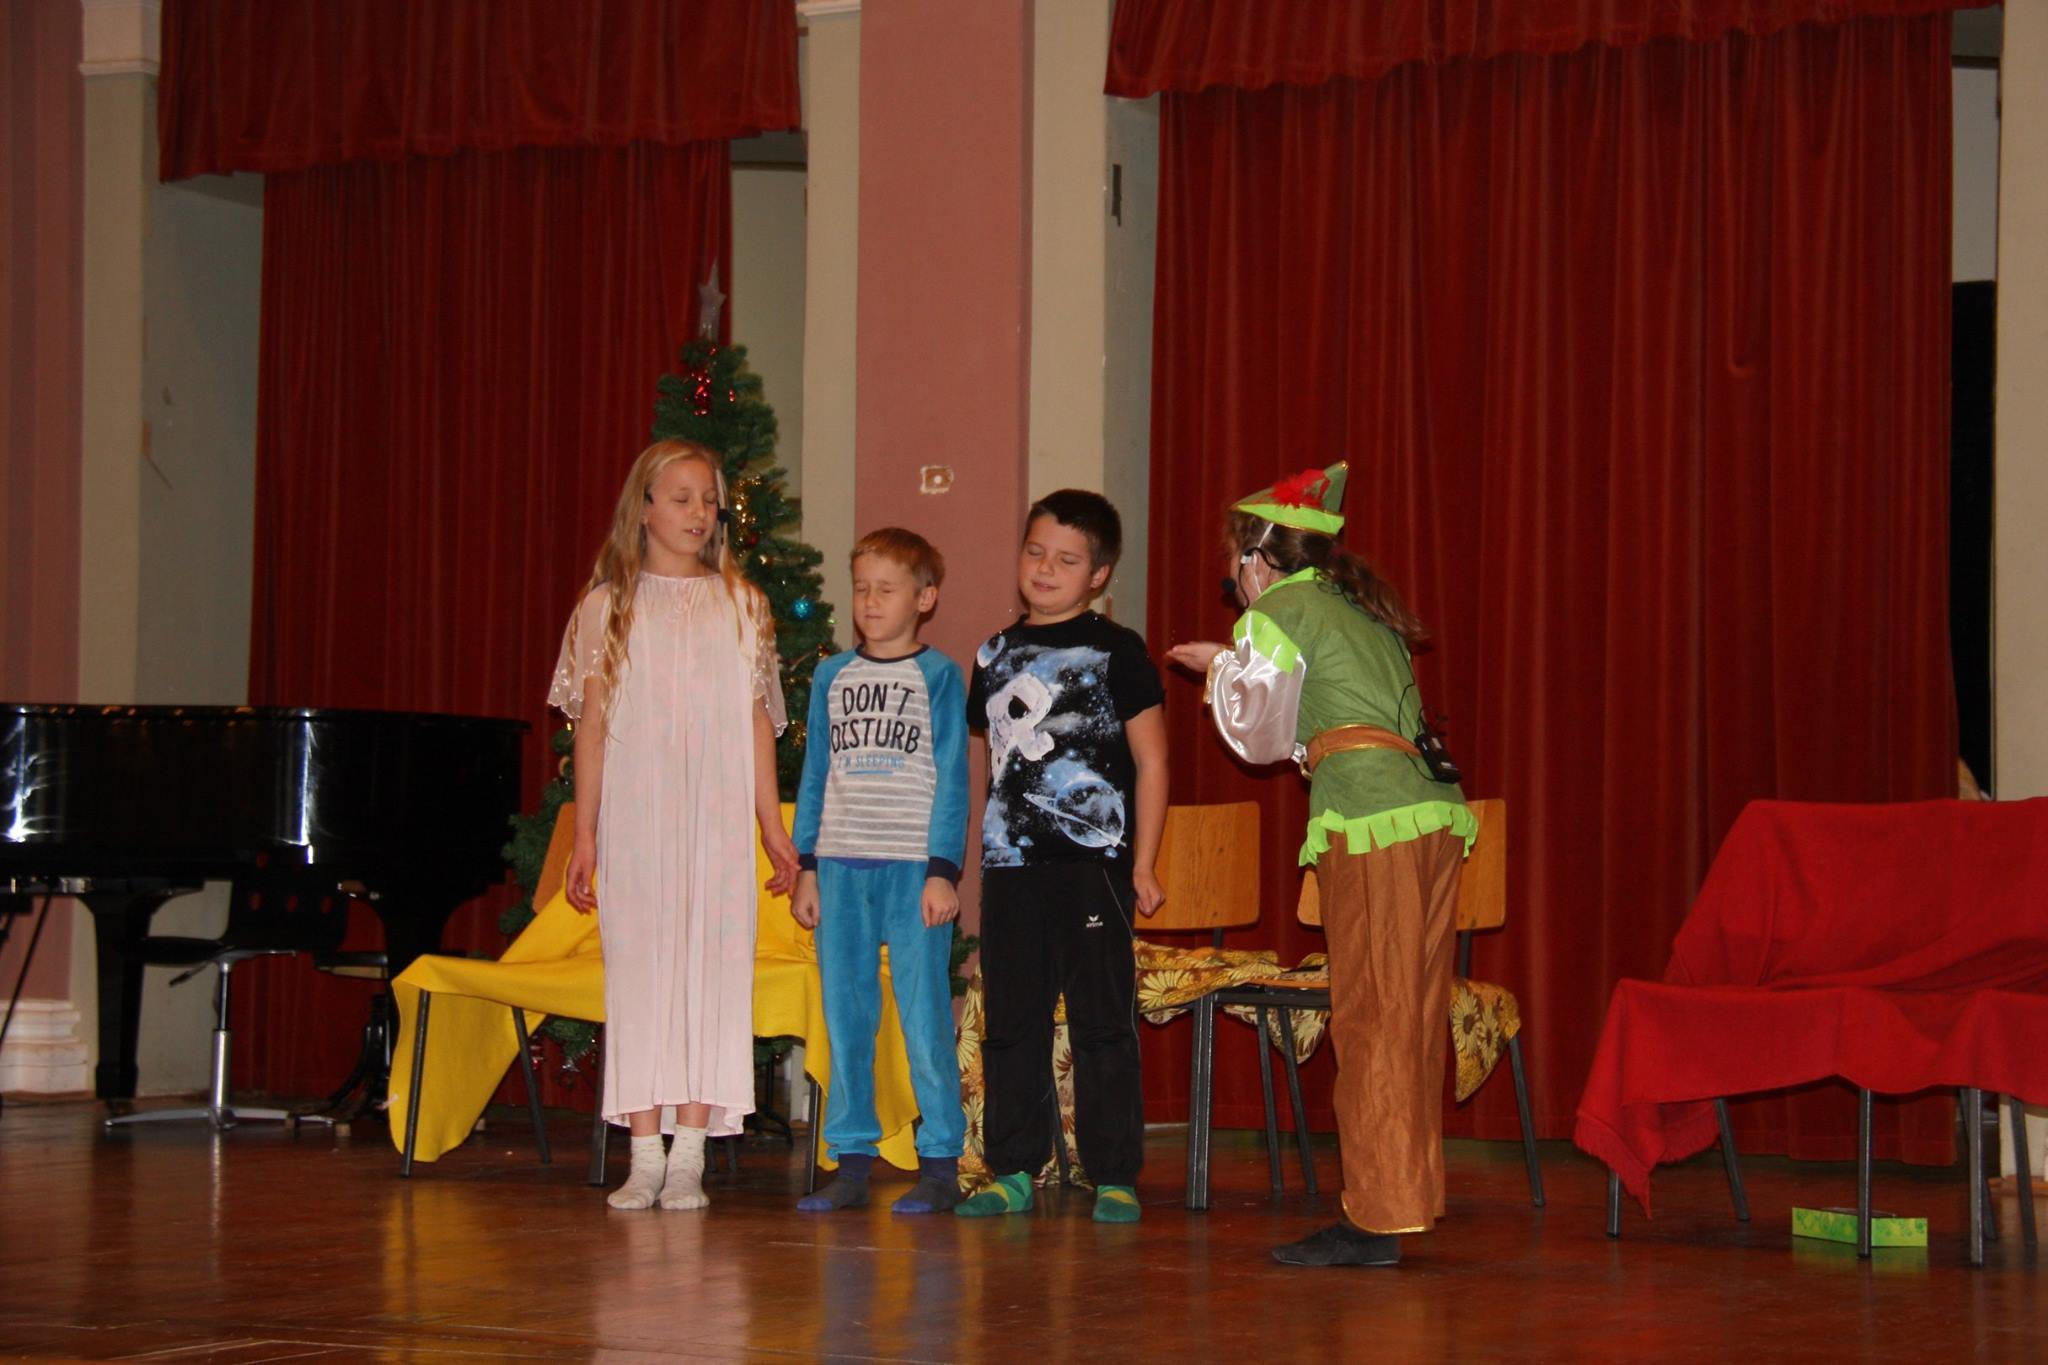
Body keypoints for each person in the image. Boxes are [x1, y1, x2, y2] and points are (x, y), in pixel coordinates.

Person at [1166, 462, 1476, 1267]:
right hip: (1431, 813)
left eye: (1234, 566)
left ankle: (1376, 1216)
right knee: (1410, 1013)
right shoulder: (1356, 608)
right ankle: (1405, 1196)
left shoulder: (1280, 607)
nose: (1235, 582)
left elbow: (1259, 734)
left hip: (1371, 820)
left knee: (1371, 1012)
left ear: (1256, 558)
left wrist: (1220, 670)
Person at [550, 438, 798, 1211]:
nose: (699, 512)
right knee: (642, 973)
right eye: (682, 497)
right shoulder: (605, 607)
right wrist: (586, 834)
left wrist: (771, 826)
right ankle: (643, 1150)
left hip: (715, 820)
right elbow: (592, 728)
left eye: (709, 500)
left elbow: (757, 722)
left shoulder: (743, 605)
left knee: (709, 971)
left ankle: (690, 1149)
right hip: (638, 819)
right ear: (645, 507)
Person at [957, 490, 1167, 1224]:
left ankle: (1113, 1173)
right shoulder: (993, 654)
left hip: (1092, 867)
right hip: (1011, 867)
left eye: (1067, 560)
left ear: (1098, 575)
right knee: (1011, 1020)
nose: (1045, 569)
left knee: (1101, 1020)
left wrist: (1142, 862)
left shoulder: (1118, 650)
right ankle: (1013, 1167)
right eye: (1036, 552)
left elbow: (1152, 761)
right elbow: (993, 763)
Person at [789, 528, 971, 1214]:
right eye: (861, 587)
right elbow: (816, 773)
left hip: (911, 870)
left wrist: (942, 870)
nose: (870, 601)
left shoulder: (938, 675)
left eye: (886, 589)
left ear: (924, 598)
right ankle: (852, 1160)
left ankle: (941, 1161)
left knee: (923, 1017)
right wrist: (808, 866)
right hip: (840, 866)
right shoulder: (831, 676)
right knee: (847, 1016)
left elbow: (952, 777)